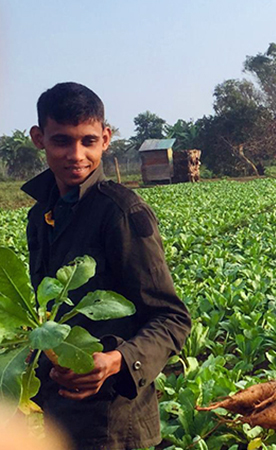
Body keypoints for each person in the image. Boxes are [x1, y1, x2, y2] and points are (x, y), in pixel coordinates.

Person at [22, 82, 192, 450]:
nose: (76, 154)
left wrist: (117, 360)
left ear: (106, 138)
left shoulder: (121, 213)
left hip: (116, 424)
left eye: (88, 141)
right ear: (39, 138)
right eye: (62, 141)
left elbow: (173, 319)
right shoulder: (40, 216)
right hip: (59, 415)